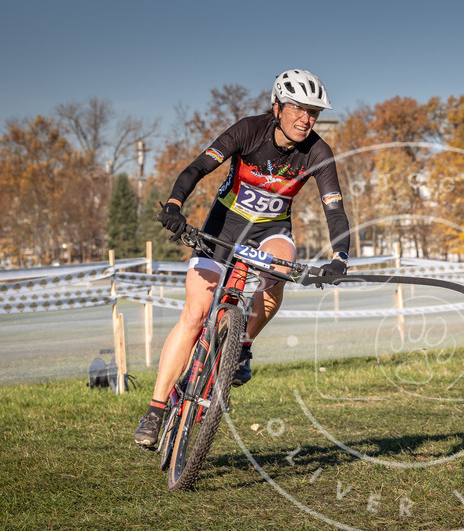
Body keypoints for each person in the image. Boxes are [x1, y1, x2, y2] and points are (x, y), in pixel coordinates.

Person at [134, 69, 350, 448]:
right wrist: (173, 204)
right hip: (223, 228)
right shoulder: (249, 130)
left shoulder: (318, 152)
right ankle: (155, 409)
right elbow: (199, 166)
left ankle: (242, 346)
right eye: (298, 109)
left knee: (281, 269)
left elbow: (334, 209)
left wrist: (340, 258)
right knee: (195, 314)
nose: (306, 119)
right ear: (278, 106)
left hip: (271, 232)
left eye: (313, 112)